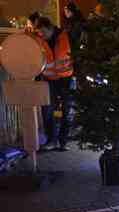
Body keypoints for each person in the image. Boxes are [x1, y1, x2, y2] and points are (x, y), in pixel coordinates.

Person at [36, 17, 74, 151]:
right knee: (47, 110)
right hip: (49, 79)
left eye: (44, 32)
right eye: (40, 32)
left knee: (67, 111)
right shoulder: (39, 41)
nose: (42, 35)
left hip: (66, 78)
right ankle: (51, 140)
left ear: (51, 28)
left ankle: (63, 141)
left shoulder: (66, 36)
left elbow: (75, 55)